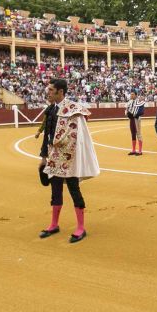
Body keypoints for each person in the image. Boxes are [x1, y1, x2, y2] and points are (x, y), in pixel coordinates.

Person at [38, 78, 100, 243]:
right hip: (53, 157)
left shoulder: (73, 109)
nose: (48, 92)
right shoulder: (50, 110)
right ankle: (54, 224)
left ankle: (81, 227)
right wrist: (43, 157)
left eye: (51, 90)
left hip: (69, 158)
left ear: (60, 92)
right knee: (55, 191)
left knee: (74, 190)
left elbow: (78, 137)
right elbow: (47, 136)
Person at [125, 91, 146, 156]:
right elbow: (126, 110)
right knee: (133, 133)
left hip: (137, 119)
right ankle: (133, 150)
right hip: (131, 119)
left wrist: (135, 115)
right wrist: (127, 114)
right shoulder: (129, 102)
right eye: (131, 94)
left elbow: (142, 111)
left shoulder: (139, 102)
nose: (131, 95)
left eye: (133, 94)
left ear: (136, 95)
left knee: (138, 134)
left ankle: (140, 151)